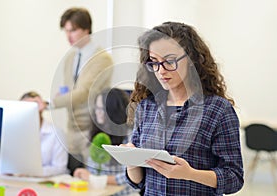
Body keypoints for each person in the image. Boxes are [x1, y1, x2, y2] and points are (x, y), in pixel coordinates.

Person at [123, 22, 244, 195]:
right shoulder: (146, 108)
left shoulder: (217, 110)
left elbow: (234, 178)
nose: (161, 71)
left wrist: (190, 174)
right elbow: (138, 182)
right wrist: (131, 162)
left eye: (170, 61)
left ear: (191, 59)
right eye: (154, 62)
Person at [52, 7, 113, 160]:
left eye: (72, 30)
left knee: (90, 177)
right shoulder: (70, 58)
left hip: (91, 130)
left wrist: (52, 103)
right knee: (71, 175)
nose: (68, 36)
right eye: (66, 31)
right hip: (72, 128)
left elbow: (84, 92)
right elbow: (70, 90)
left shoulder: (102, 59)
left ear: (86, 29)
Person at [73, 88, 139, 196]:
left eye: (102, 109)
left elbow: (128, 178)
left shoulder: (130, 136)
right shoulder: (97, 132)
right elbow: (92, 168)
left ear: (113, 111)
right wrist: (84, 175)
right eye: (97, 108)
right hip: (98, 192)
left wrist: (93, 178)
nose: (97, 112)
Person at [21, 91, 69, 176]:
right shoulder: (16, 133)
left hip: (46, 182)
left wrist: (33, 172)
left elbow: (60, 168)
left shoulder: (56, 133)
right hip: (19, 180)